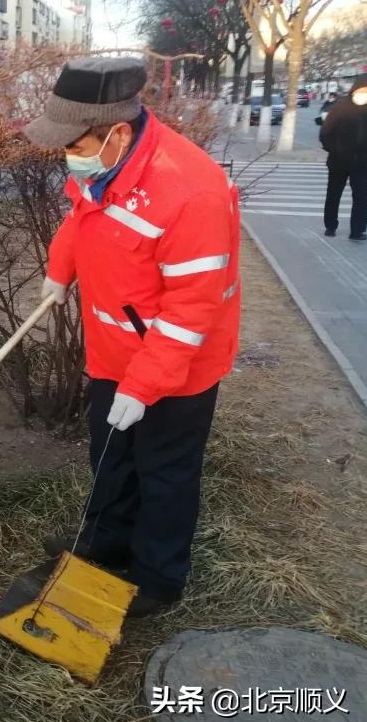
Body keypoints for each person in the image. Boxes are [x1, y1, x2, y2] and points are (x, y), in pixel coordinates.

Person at [24, 57, 241, 618]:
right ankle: (107, 540)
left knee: (164, 470)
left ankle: (158, 576)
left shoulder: (191, 192)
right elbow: (82, 217)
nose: (68, 156)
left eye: (75, 145)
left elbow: (192, 309)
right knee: (110, 454)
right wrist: (60, 269)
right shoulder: (106, 167)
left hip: (177, 365)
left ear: (118, 133)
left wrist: (144, 386)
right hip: (113, 349)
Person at [319, 73, 367, 241]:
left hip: (363, 162)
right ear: (354, 90)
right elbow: (325, 133)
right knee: (334, 194)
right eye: (362, 91)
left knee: (362, 197)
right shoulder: (341, 107)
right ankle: (330, 226)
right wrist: (335, 150)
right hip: (338, 161)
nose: (365, 94)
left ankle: (357, 231)